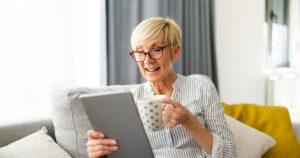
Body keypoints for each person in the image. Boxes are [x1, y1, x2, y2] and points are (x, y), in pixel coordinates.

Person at [86, 17, 236, 158]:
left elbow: (229, 154)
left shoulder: (202, 88)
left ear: (175, 51)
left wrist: (189, 121)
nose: (148, 60)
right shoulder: (129, 100)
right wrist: (100, 153)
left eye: (156, 50)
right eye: (140, 52)